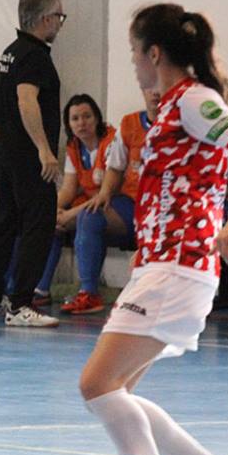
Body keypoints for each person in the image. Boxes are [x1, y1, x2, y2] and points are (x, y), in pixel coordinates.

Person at [78, 3, 228, 455]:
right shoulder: (170, 107)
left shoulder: (191, 99)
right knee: (116, 395)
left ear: (153, 53)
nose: (133, 62)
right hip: (160, 265)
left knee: (97, 385)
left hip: (179, 268)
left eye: (134, 52)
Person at [0, 0, 65, 327]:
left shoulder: (10, 52)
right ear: (45, 19)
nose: (60, 23)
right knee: (38, 226)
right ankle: (21, 304)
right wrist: (44, 149)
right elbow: (26, 100)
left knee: (5, 223)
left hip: (7, 153)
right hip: (29, 158)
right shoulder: (35, 56)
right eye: (59, 17)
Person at [59, 88, 158, 314]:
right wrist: (104, 194)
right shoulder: (129, 124)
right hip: (131, 204)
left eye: (87, 116)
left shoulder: (185, 123)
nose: (156, 93)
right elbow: (115, 167)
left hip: (168, 207)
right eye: (75, 118)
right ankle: (88, 293)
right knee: (90, 215)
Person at [33, 94, 119, 306]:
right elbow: (68, 190)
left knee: (86, 218)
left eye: (87, 116)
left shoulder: (112, 141)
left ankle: (88, 291)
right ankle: (40, 289)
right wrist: (51, 212)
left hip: (115, 202)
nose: (82, 123)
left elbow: (107, 193)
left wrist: (69, 214)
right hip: (88, 202)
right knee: (51, 223)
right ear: (69, 124)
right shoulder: (74, 146)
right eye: (75, 118)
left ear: (97, 118)